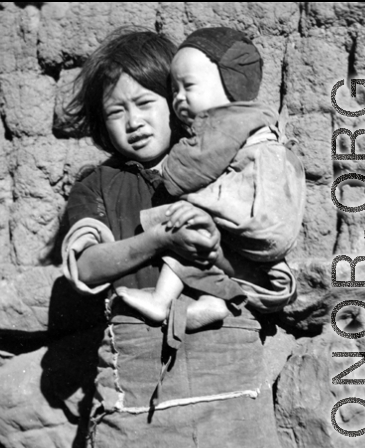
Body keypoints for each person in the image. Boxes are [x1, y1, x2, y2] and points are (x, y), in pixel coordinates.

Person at [59, 28, 288, 448]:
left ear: (177, 101)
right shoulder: (100, 184)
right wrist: (154, 236)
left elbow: (270, 261)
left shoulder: (230, 163)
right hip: (134, 392)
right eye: (114, 112)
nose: (132, 123)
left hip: (214, 393)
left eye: (146, 103)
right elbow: (88, 264)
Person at [117, 27, 305, 329]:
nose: (178, 98)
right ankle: (214, 301)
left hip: (251, 217)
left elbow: (182, 175)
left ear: (229, 85)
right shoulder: (260, 118)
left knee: (182, 229)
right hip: (272, 229)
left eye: (187, 86)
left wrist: (174, 159)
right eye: (173, 90)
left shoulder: (224, 122)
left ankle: (161, 299)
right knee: (211, 244)